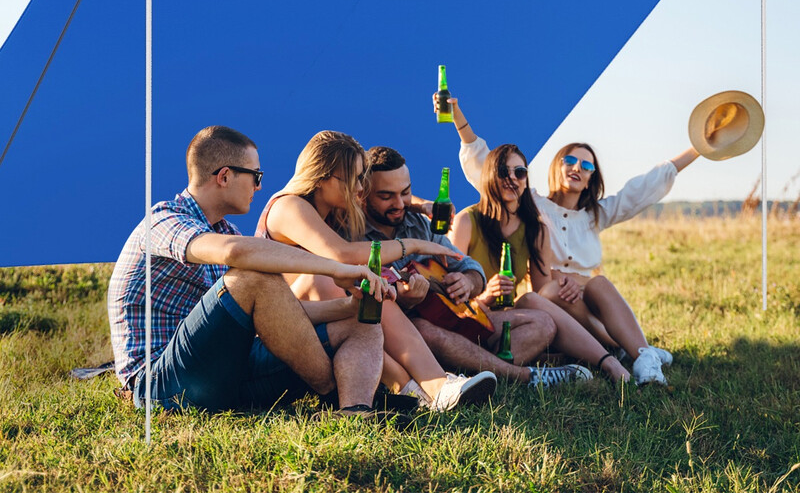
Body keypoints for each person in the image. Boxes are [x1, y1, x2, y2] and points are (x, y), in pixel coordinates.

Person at [107, 125, 390, 417]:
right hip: (160, 386)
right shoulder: (163, 221)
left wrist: (347, 306)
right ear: (225, 176)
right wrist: (337, 269)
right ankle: (331, 391)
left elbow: (277, 313)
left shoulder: (226, 230)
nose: (259, 187)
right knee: (253, 274)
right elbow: (236, 253)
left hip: (222, 372)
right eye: (256, 176)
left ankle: (355, 410)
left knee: (361, 320)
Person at [442, 95, 699, 386]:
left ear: (592, 177)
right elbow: (484, 162)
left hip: (587, 303)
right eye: (571, 160)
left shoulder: (592, 215)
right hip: (547, 298)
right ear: (557, 166)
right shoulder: (535, 207)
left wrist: (697, 149)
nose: (578, 168)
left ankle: (638, 354)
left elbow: (639, 192)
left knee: (596, 284)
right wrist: (458, 119)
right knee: (543, 296)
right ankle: (620, 352)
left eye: (587, 166)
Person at [256, 130, 497, 410]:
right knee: (329, 278)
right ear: (322, 177)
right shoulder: (289, 206)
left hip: (306, 319)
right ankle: (436, 384)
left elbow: (381, 196)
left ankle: (420, 392)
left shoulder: (331, 208)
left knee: (368, 290)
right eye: (356, 178)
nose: (362, 187)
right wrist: (413, 244)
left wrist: (419, 204)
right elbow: (341, 254)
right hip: (273, 329)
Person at [363, 145, 609, 386]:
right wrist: (406, 300)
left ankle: (469, 366)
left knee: (543, 323)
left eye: (405, 193)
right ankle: (523, 375)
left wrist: (469, 281)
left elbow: (468, 265)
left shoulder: (419, 223)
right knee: (423, 330)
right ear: (362, 193)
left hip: (461, 317)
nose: (400, 203)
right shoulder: (355, 235)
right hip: (415, 333)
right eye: (386, 196)